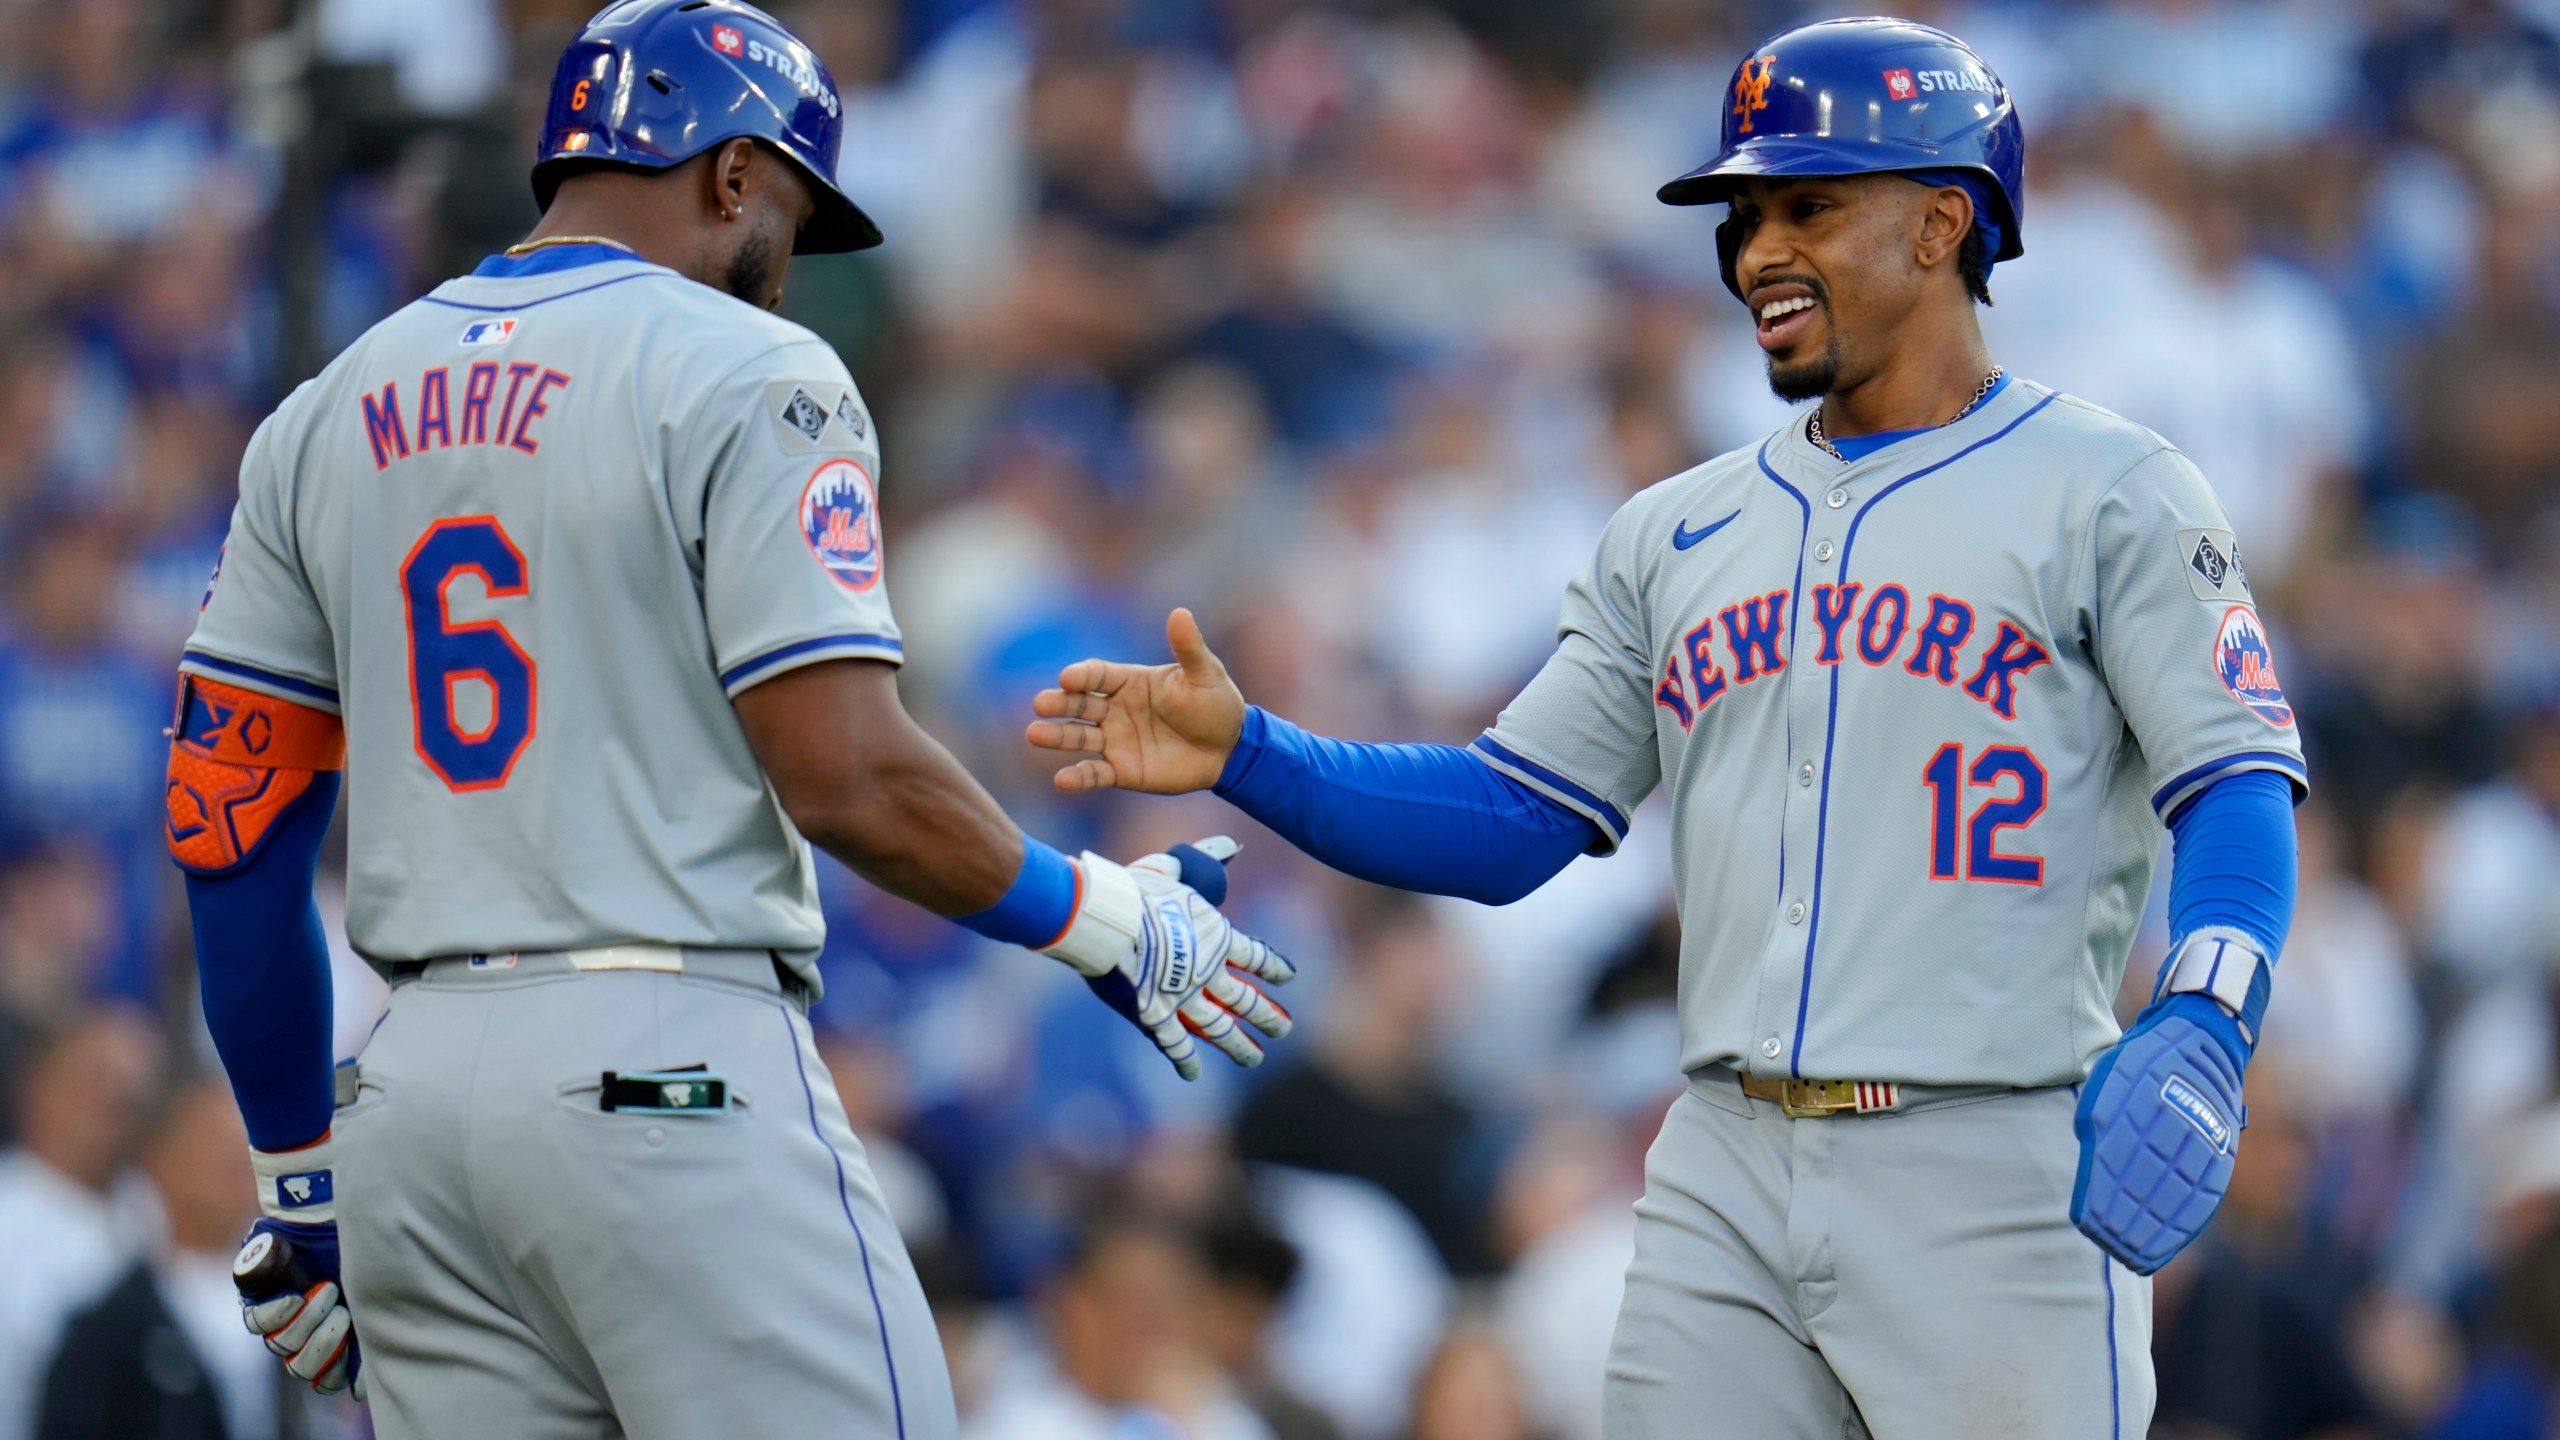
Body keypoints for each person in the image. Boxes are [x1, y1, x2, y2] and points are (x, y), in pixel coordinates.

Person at [1029, 18, 2303, 1437]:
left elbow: (2235, 778)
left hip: (1993, 1160)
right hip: (1724, 1165)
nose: (1757, 249)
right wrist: (1255, 751)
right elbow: (1508, 820)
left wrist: (2206, 1014)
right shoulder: (1676, 530)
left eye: (1809, 204)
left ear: (1946, 220)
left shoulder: (2115, 488)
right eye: (1745, 212)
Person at [146, 3, 1293, 1436]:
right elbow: (847, 779)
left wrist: (297, 1178)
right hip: (664, 1061)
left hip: (416, 1104)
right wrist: (1105, 921)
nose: (790, 263)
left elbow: (229, 834)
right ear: (732, 173)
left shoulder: (322, 411)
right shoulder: (748, 369)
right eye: (795, 212)